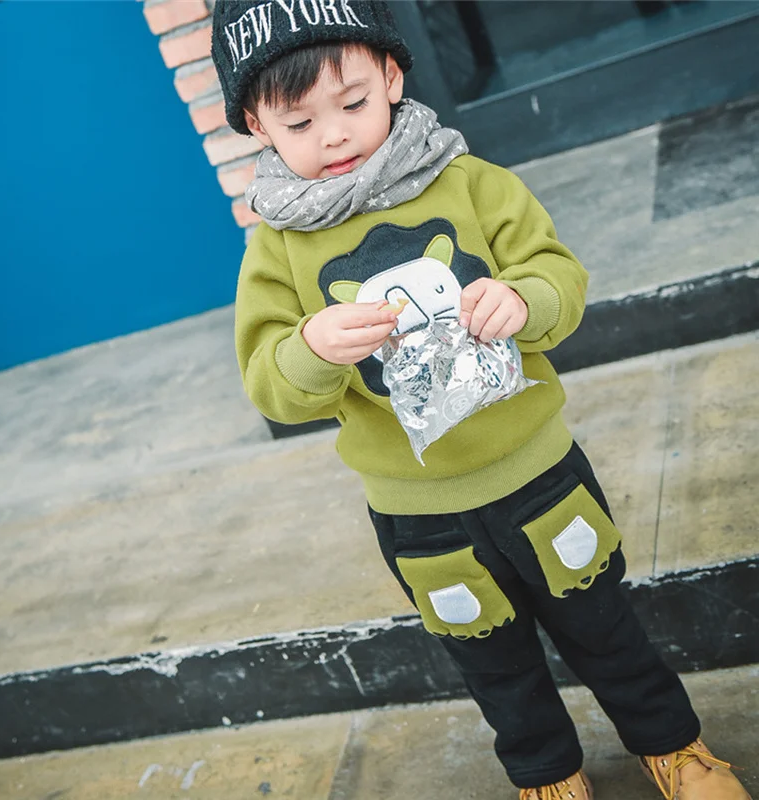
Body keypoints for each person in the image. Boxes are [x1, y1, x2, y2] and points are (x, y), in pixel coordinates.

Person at [211, 3, 751, 798]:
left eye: (353, 102)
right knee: (493, 662)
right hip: (419, 512)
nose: (333, 135)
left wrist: (523, 299)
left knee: (604, 626)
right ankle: (547, 775)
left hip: (538, 475)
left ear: (392, 76)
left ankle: (674, 746)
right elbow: (269, 382)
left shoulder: (466, 180)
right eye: (299, 122)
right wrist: (311, 348)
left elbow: (558, 273)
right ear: (257, 125)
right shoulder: (277, 247)